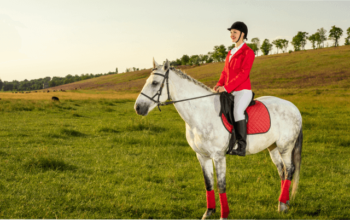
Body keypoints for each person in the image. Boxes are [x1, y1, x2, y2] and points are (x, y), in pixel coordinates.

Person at [213, 21, 255, 156]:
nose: (232, 35)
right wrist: (219, 84)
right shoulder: (230, 53)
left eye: (234, 32)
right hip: (228, 90)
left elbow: (244, 74)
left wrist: (226, 87)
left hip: (243, 91)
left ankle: (242, 146)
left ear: (242, 34)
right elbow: (224, 72)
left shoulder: (248, 52)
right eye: (231, 32)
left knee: (237, 111)